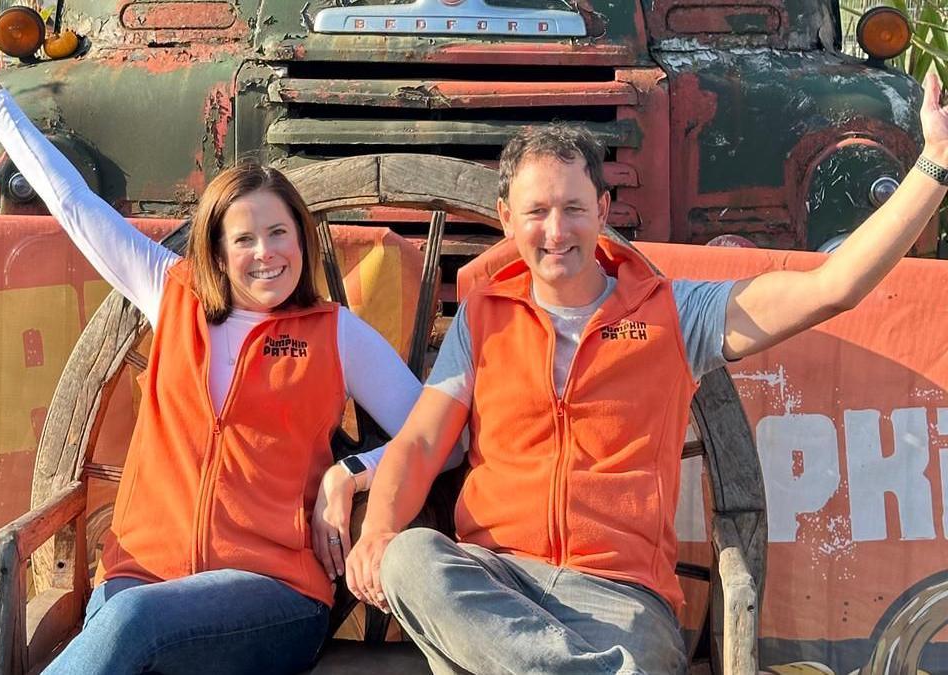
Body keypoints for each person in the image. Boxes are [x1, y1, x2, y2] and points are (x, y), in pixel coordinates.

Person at [344, 74, 948, 674]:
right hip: (496, 589)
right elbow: (421, 441)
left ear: (603, 211)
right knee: (409, 559)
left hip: (621, 603)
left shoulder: (675, 313)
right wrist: (376, 533)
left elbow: (831, 288)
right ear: (506, 218)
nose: (556, 232)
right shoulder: (481, 318)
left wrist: (935, 166)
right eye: (536, 212)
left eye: (574, 208)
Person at [0, 18, 460, 675]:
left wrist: (346, 475)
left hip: (274, 593)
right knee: (126, 622)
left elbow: (444, 438)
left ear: (301, 237)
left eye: (280, 233)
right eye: (245, 239)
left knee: (132, 624)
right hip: (137, 580)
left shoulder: (334, 334)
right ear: (215, 249)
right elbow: (74, 205)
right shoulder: (170, 292)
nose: (266, 253)